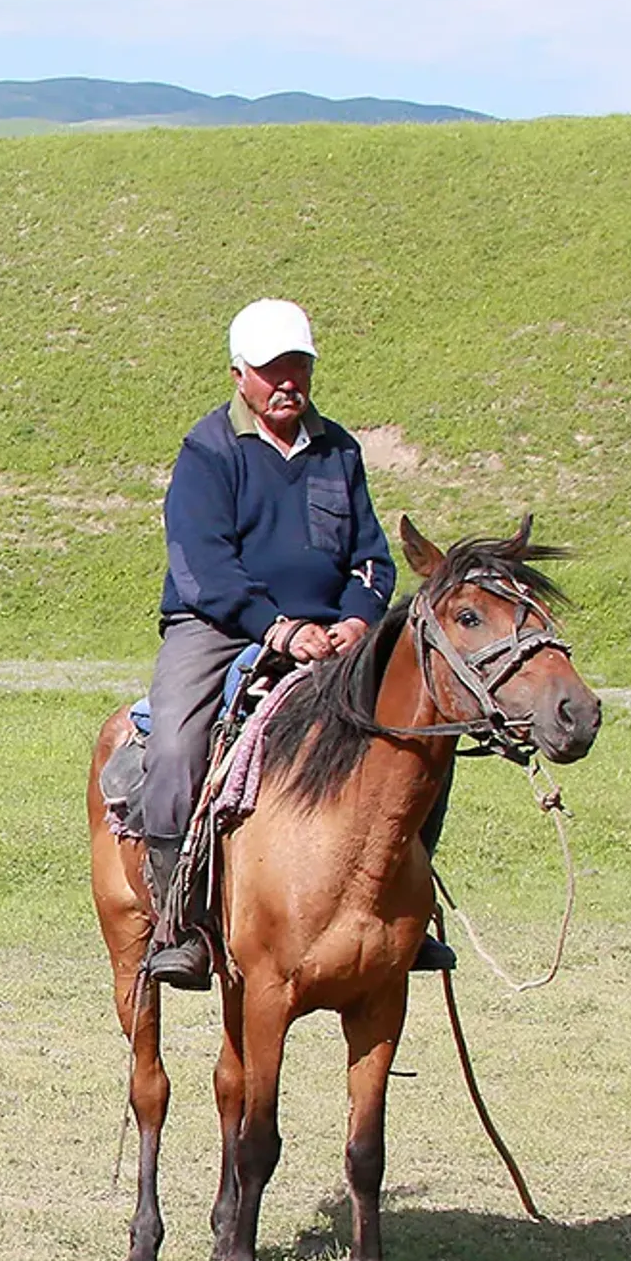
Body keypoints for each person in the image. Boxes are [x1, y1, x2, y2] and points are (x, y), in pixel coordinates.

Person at [134, 297, 427, 989]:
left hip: (331, 632)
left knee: (423, 727)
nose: (287, 381)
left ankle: (409, 907)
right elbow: (203, 566)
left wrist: (357, 618)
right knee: (176, 743)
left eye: (298, 365)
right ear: (240, 374)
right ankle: (179, 922)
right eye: (272, 369)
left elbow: (372, 557)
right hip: (218, 626)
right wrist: (278, 626)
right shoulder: (209, 451)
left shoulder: (339, 451)